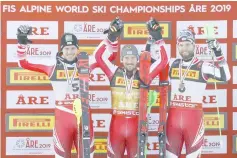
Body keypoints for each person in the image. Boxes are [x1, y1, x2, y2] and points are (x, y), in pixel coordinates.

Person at [90, 17, 168, 158]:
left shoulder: (145, 74)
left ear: (137, 59)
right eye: (126, 58)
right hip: (116, 126)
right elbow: (98, 56)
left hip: (136, 126)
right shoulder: (114, 72)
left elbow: (164, 61)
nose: (130, 61)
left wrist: (159, 38)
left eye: (133, 58)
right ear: (122, 59)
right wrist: (110, 37)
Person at [16, 25, 94, 158]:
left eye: (73, 48)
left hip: (84, 118)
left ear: (77, 49)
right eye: (67, 49)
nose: (70, 52)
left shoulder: (86, 62)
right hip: (62, 120)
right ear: (62, 49)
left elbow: (106, 57)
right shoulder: (51, 64)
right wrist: (22, 43)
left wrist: (112, 37)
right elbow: (23, 63)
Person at [166, 29, 231, 157]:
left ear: (194, 45)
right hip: (173, 119)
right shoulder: (172, 63)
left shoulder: (203, 66)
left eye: (188, 44)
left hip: (193, 120)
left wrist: (218, 52)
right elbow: (150, 64)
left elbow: (226, 76)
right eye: (181, 44)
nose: (184, 48)